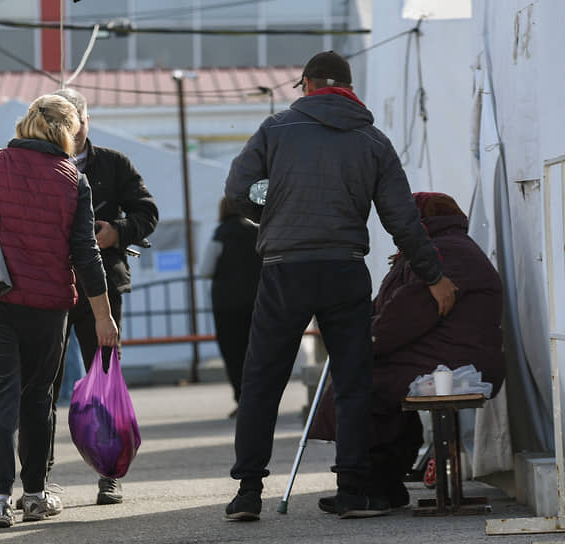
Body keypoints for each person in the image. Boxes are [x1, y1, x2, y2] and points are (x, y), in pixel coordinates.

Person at [222, 50, 459, 521]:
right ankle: (352, 489)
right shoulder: (372, 139)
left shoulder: (275, 129)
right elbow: (403, 220)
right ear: (350, 89)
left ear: (307, 84)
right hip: (344, 268)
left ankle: (248, 492)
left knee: (262, 380)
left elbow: (237, 191)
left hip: (283, 268)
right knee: (353, 381)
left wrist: (270, 217)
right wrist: (435, 276)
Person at [0, 94, 119, 529]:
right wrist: (104, 317)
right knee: (37, 398)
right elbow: (85, 253)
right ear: (67, 131)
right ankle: (34, 495)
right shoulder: (73, 178)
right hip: (48, 307)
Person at [308, 191, 505, 513]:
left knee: (359, 388)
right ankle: (382, 485)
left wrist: (361, 342)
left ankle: (366, 487)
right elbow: (390, 309)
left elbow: (406, 315)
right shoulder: (436, 250)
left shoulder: (442, 254)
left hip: (455, 363)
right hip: (446, 356)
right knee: (373, 385)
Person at [46, 87, 158, 506]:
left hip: (104, 286)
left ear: (87, 122)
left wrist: (117, 232)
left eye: (79, 122)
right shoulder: (38, 164)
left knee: (106, 377)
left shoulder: (113, 164)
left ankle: (110, 472)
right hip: (51, 287)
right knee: (45, 384)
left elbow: (148, 211)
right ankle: (41, 476)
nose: (73, 131)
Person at [199, 197, 261, 417]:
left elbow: (205, 269)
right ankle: (260, 399)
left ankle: (242, 399)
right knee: (257, 351)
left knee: (234, 353)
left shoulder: (221, 234)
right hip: (257, 302)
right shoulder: (257, 232)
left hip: (226, 304)